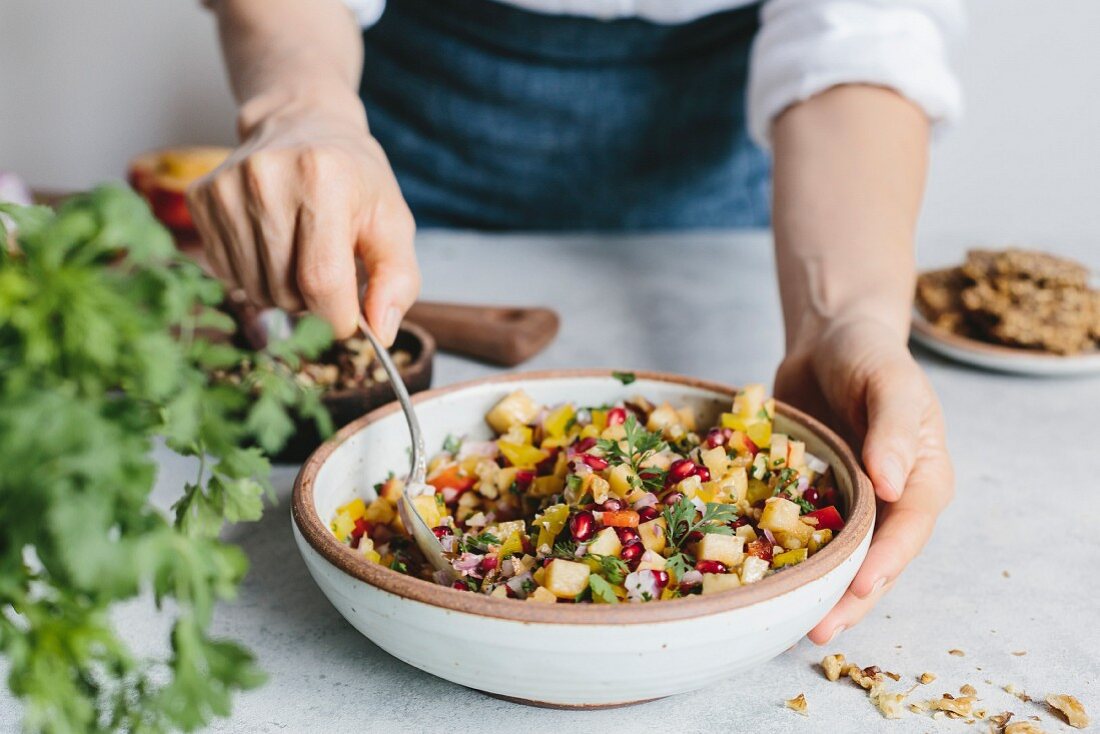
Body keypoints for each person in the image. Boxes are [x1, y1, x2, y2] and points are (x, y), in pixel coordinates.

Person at [190, 0, 958, 644]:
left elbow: (867, 28)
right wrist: (300, 110)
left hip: (737, 152)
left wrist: (845, 319)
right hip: (413, 134)